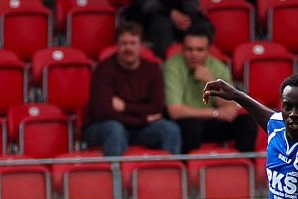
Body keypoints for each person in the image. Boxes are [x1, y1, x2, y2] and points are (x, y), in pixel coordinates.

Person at [82, 21, 181, 157]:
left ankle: (167, 170)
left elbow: (156, 108)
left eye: (133, 43)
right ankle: (116, 171)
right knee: (115, 129)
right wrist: (142, 119)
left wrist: (125, 107)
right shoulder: (103, 70)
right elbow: (104, 112)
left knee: (171, 129)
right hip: (104, 127)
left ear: (141, 46)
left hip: (139, 128)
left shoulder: (152, 69)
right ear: (116, 46)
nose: (128, 48)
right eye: (124, 43)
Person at [163, 25, 258, 154]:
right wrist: (215, 113)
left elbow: (230, 107)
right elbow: (175, 111)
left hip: (210, 123)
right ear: (182, 49)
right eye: (189, 49)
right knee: (192, 127)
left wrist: (212, 83)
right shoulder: (172, 66)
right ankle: (189, 165)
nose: (194, 54)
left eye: (200, 50)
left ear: (208, 51)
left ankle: (243, 163)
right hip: (186, 123)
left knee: (247, 123)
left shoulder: (217, 66)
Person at [123, 0, 212, 59]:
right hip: (152, 15)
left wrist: (185, 17)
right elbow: (145, 4)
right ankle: (162, 64)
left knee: (203, 26)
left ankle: (204, 64)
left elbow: (192, 4)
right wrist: (171, 13)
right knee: (162, 26)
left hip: (182, 13)